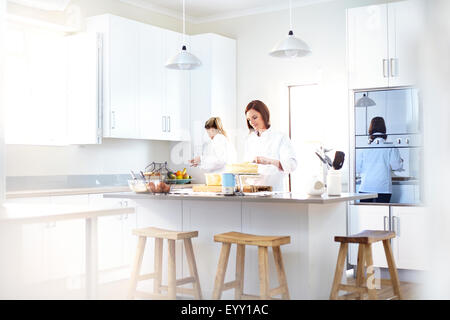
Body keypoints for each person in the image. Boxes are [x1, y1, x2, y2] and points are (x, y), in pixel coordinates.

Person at [243, 100, 297, 192]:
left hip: (274, 192)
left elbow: (292, 165)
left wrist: (268, 161)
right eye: (249, 119)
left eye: (254, 117)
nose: (251, 122)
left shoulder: (280, 137)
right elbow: (247, 168)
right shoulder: (250, 139)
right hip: (253, 193)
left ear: (264, 115)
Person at [357, 117, 404, 203]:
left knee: (366, 215)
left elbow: (357, 168)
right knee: (381, 214)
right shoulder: (391, 147)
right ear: (384, 129)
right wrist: (401, 161)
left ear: (370, 129)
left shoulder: (364, 148)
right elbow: (396, 166)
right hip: (383, 188)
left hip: (366, 187)